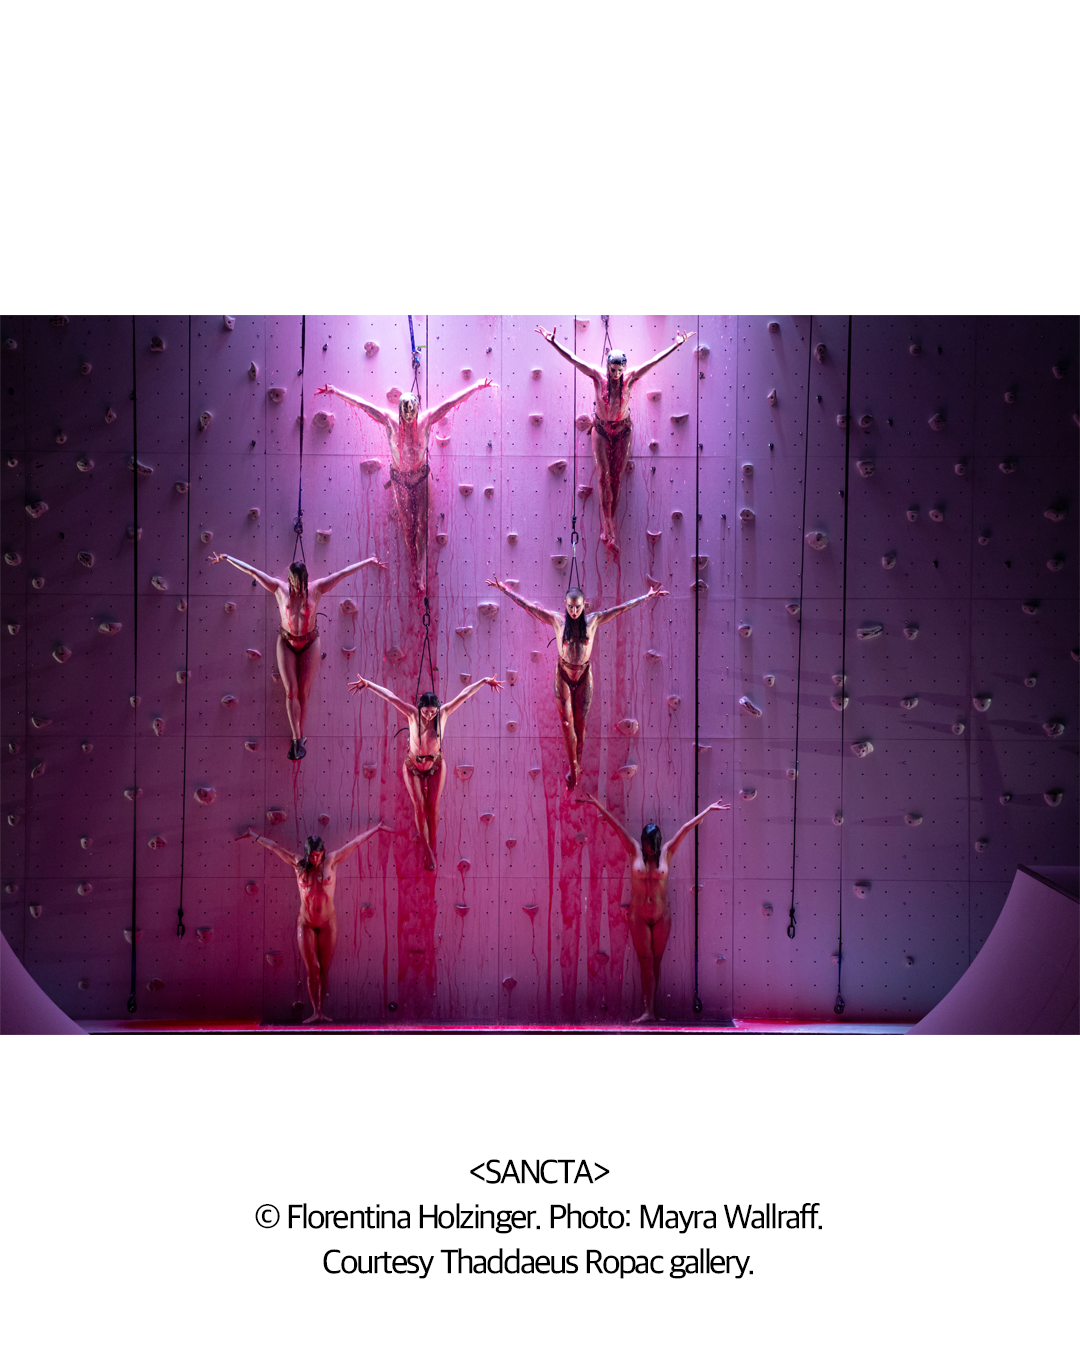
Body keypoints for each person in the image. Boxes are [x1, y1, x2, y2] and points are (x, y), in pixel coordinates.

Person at [316, 376, 495, 593]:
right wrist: (335, 391)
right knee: (406, 526)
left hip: (421, 477)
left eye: (412, 413)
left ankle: (420, 573)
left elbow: (451, 403)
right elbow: (363, 405)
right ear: (400, 412)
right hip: (399, 479)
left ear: (417, 410)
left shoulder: (426, 420)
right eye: (405, 414)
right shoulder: (389, 421)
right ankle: (414, 565)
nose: (409, 419)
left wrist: (475, 387)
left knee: (422, 524)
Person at [487, 577, 668, 790]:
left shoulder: (593, 621)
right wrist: (504, 589)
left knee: (580, 728)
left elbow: (620, 609)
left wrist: (646, 597)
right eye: (571, 607)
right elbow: (528, 607)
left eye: (578, 607)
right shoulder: (557, 621)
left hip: (583, 675)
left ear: (583, 605)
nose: (574, 611)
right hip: (563, 674)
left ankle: (577, 766)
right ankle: (573, 770)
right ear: (565, 604)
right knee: (567, 726)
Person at [209, 551, 383, 760]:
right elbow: (253, 571)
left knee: (303, 692)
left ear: (305, 579)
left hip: (310, 642)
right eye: (294, 582)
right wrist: (228, 558)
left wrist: (368, 561)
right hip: (286, 642)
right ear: (290, 579)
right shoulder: (279, 588)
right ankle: (296, 738)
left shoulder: (316, 588)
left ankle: (299, 737)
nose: (298, 587)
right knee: (291, 692)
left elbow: (343, 573)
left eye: (301, 583)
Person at [535, 325, 694, 553]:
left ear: (624, 368)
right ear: (608, 366)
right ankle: (607, 525)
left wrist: (676, 346)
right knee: (603, 477)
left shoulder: (630, 377)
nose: (616, 374)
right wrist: (553, 342)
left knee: (616, 478)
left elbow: (653, 361)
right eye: (613, 369)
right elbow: (574, 360)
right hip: (601, 428)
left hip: (623, 429)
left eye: (619, 370)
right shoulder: (597, 375)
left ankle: (610, 522)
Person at [578, 793, 731, 1023]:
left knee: (656, 961)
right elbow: (616, 825)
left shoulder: (667, 852)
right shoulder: (634, 849)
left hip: (662, 915)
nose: (650, 849)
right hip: (639, 915)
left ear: (658, 843)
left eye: (653, 846)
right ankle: (647, 1011)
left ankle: (652, 1011)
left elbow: (686, 828)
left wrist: (708, 810)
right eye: (647, 845)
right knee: (646, 960)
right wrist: (597, 804)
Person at [236, 823, 391, 1024]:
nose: (315, 859)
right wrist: (252, 834)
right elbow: (275, 847)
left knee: (324, 970)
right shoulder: (298, 864)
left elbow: (354, 843)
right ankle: (315, 1011)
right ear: (306, 854)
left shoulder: (332, 861)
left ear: (323, 853)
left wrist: (377, 828)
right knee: (313, 969)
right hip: (306, 923)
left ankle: (320, 1011)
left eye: (318, 855)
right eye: (311, 856)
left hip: (328, 923)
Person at [348, 673, 504, 871]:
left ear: (437, 709)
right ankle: (427, 850)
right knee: (420, 807)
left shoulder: (443, 714)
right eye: (426, 712)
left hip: (435, 764)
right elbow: (390, 697)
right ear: (420, 708)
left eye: (432, 712)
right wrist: (368, 684)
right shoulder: (413, 714)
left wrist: (484, 681)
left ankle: (431, 843)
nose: (429, 715)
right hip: (413, 765)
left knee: (433, 807)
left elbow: (464, 694)